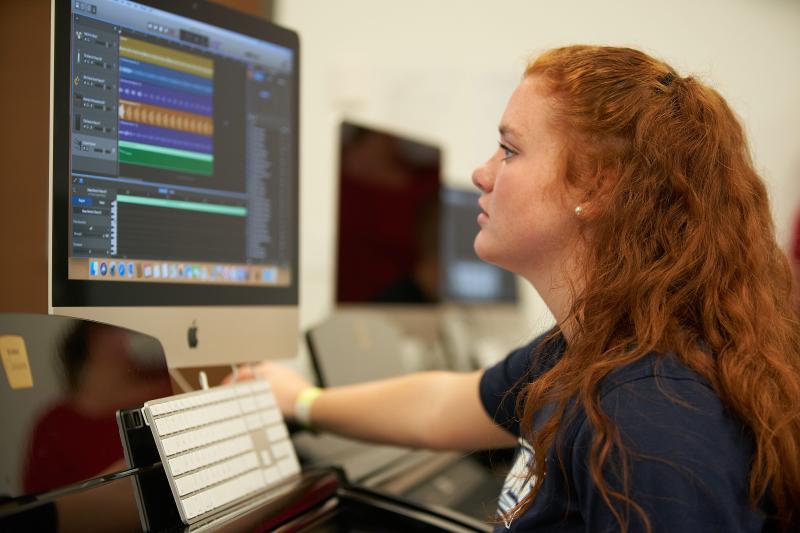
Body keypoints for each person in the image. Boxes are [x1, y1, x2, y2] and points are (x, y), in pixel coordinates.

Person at [234, 46, 800, 532]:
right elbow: (445, 406)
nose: (482, 174)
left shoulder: (652, 424)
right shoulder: (587, 349)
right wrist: (301, 401)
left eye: (509, 150)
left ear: (596, 186)